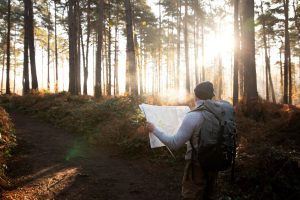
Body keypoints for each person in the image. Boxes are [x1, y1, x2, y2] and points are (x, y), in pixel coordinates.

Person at [145, 81, 220, 200]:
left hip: (196, 167)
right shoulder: (219, 114)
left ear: (196, 96)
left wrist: (154, 129)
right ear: (212, 96)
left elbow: (174, 144)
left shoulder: (193, 116)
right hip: (215, 164)